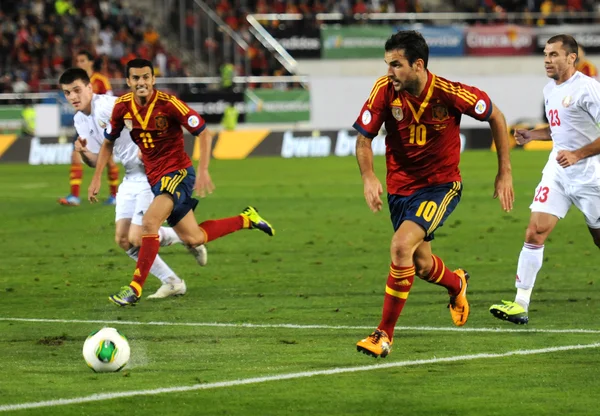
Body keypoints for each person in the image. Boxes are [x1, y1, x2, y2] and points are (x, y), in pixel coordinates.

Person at [353, 31, 514, 358]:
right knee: (422, 265)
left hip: (441, 186)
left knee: (400, 247)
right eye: (387, 64)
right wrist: (368, 176)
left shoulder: (450, 93)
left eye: (396, 65)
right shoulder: (385, 90)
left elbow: (495, 116)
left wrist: (505, 170)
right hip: (400, 188)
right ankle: (457, 284)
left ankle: (383, 335)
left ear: (418, 65)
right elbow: (363, 139)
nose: (389, 72)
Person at [90, 58, 275, 306]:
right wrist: (96, 177)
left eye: (146, 77)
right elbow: (108, 142)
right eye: (136, 78)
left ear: (153, 79)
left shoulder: (168, 104)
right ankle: (246, 219)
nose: (141, 82)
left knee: (149, 223)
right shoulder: (122, 107)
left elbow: (203, 132)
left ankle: (134, 288)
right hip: (156, 179)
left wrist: (205, 169)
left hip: (178, 173)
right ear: (128, 81)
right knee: (194, 238)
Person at [59, 67, 202, 299]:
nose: (73, 97)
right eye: (67, 93)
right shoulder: (79, 120)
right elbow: (98, 161)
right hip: (130, 176)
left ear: (89, 87)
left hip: (150, 173)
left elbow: (139, 109)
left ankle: (187, 237)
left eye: (77, 90)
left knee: (139, 236)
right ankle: (173, 281)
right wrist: (84, 152)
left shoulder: (107, 105)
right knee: (124, 240)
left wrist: (148, 148)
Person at [490, 34, 600, 325]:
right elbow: (558, 129)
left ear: (571, 58)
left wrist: (578, 154)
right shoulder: (550, 89)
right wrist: (532, 135)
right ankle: (520, 304)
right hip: (558, 172)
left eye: (553, 54)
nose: (547, 60)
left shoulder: (589, 89)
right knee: (535, 231)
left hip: (591, 176)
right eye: (545, 54)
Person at [58, 50, 119, 207]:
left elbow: (110, 101)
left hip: (102, 125)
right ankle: (75, 195)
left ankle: (115, 195)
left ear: (91, 62)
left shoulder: (100, 80)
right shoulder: (74, 81)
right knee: (76, 154)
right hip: (84, 123)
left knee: (109, 160)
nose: (80, 63)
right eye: (78, 60)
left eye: (83, 60)